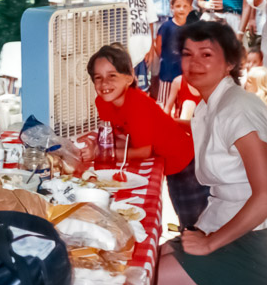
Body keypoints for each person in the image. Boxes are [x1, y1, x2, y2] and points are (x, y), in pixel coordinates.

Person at [154, 20, 267, 285]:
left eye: (206, 54)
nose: (194, 62)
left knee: (138, 284)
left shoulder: (238, 108)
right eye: (187, 53)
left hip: (258, 241)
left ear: (231, 62)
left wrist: (209, 245)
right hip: (224, 226)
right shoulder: (210, 107)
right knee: (140, 267)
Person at [81, 44, 209, 229]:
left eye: (112, 76)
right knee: (185, 214)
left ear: (129, 77)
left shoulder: (136, 105)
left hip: (185, 162)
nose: (104, 84)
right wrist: (96, 144)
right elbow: (116, 135)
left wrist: (103, 153)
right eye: (97, 78)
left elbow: (143, 151)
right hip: (169, 161)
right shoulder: (102, 102)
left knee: (194, 220)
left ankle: (200, 251)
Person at [101, 0, 158, 92]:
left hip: (141, 53)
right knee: (122, 93)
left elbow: (150, 19)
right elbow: (103, 24)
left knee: (142, 93)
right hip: (120, 54)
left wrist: (150, 47)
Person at [155, 0, 194, 105]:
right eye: (178, 6)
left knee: (182, 104)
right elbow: (159, 47)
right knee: (165, 103)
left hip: (185, 75)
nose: (181, 9)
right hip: (168, 73)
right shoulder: (166, 26)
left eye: (185, 6)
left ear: (190, 9)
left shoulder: (192, 28)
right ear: (172, 8)